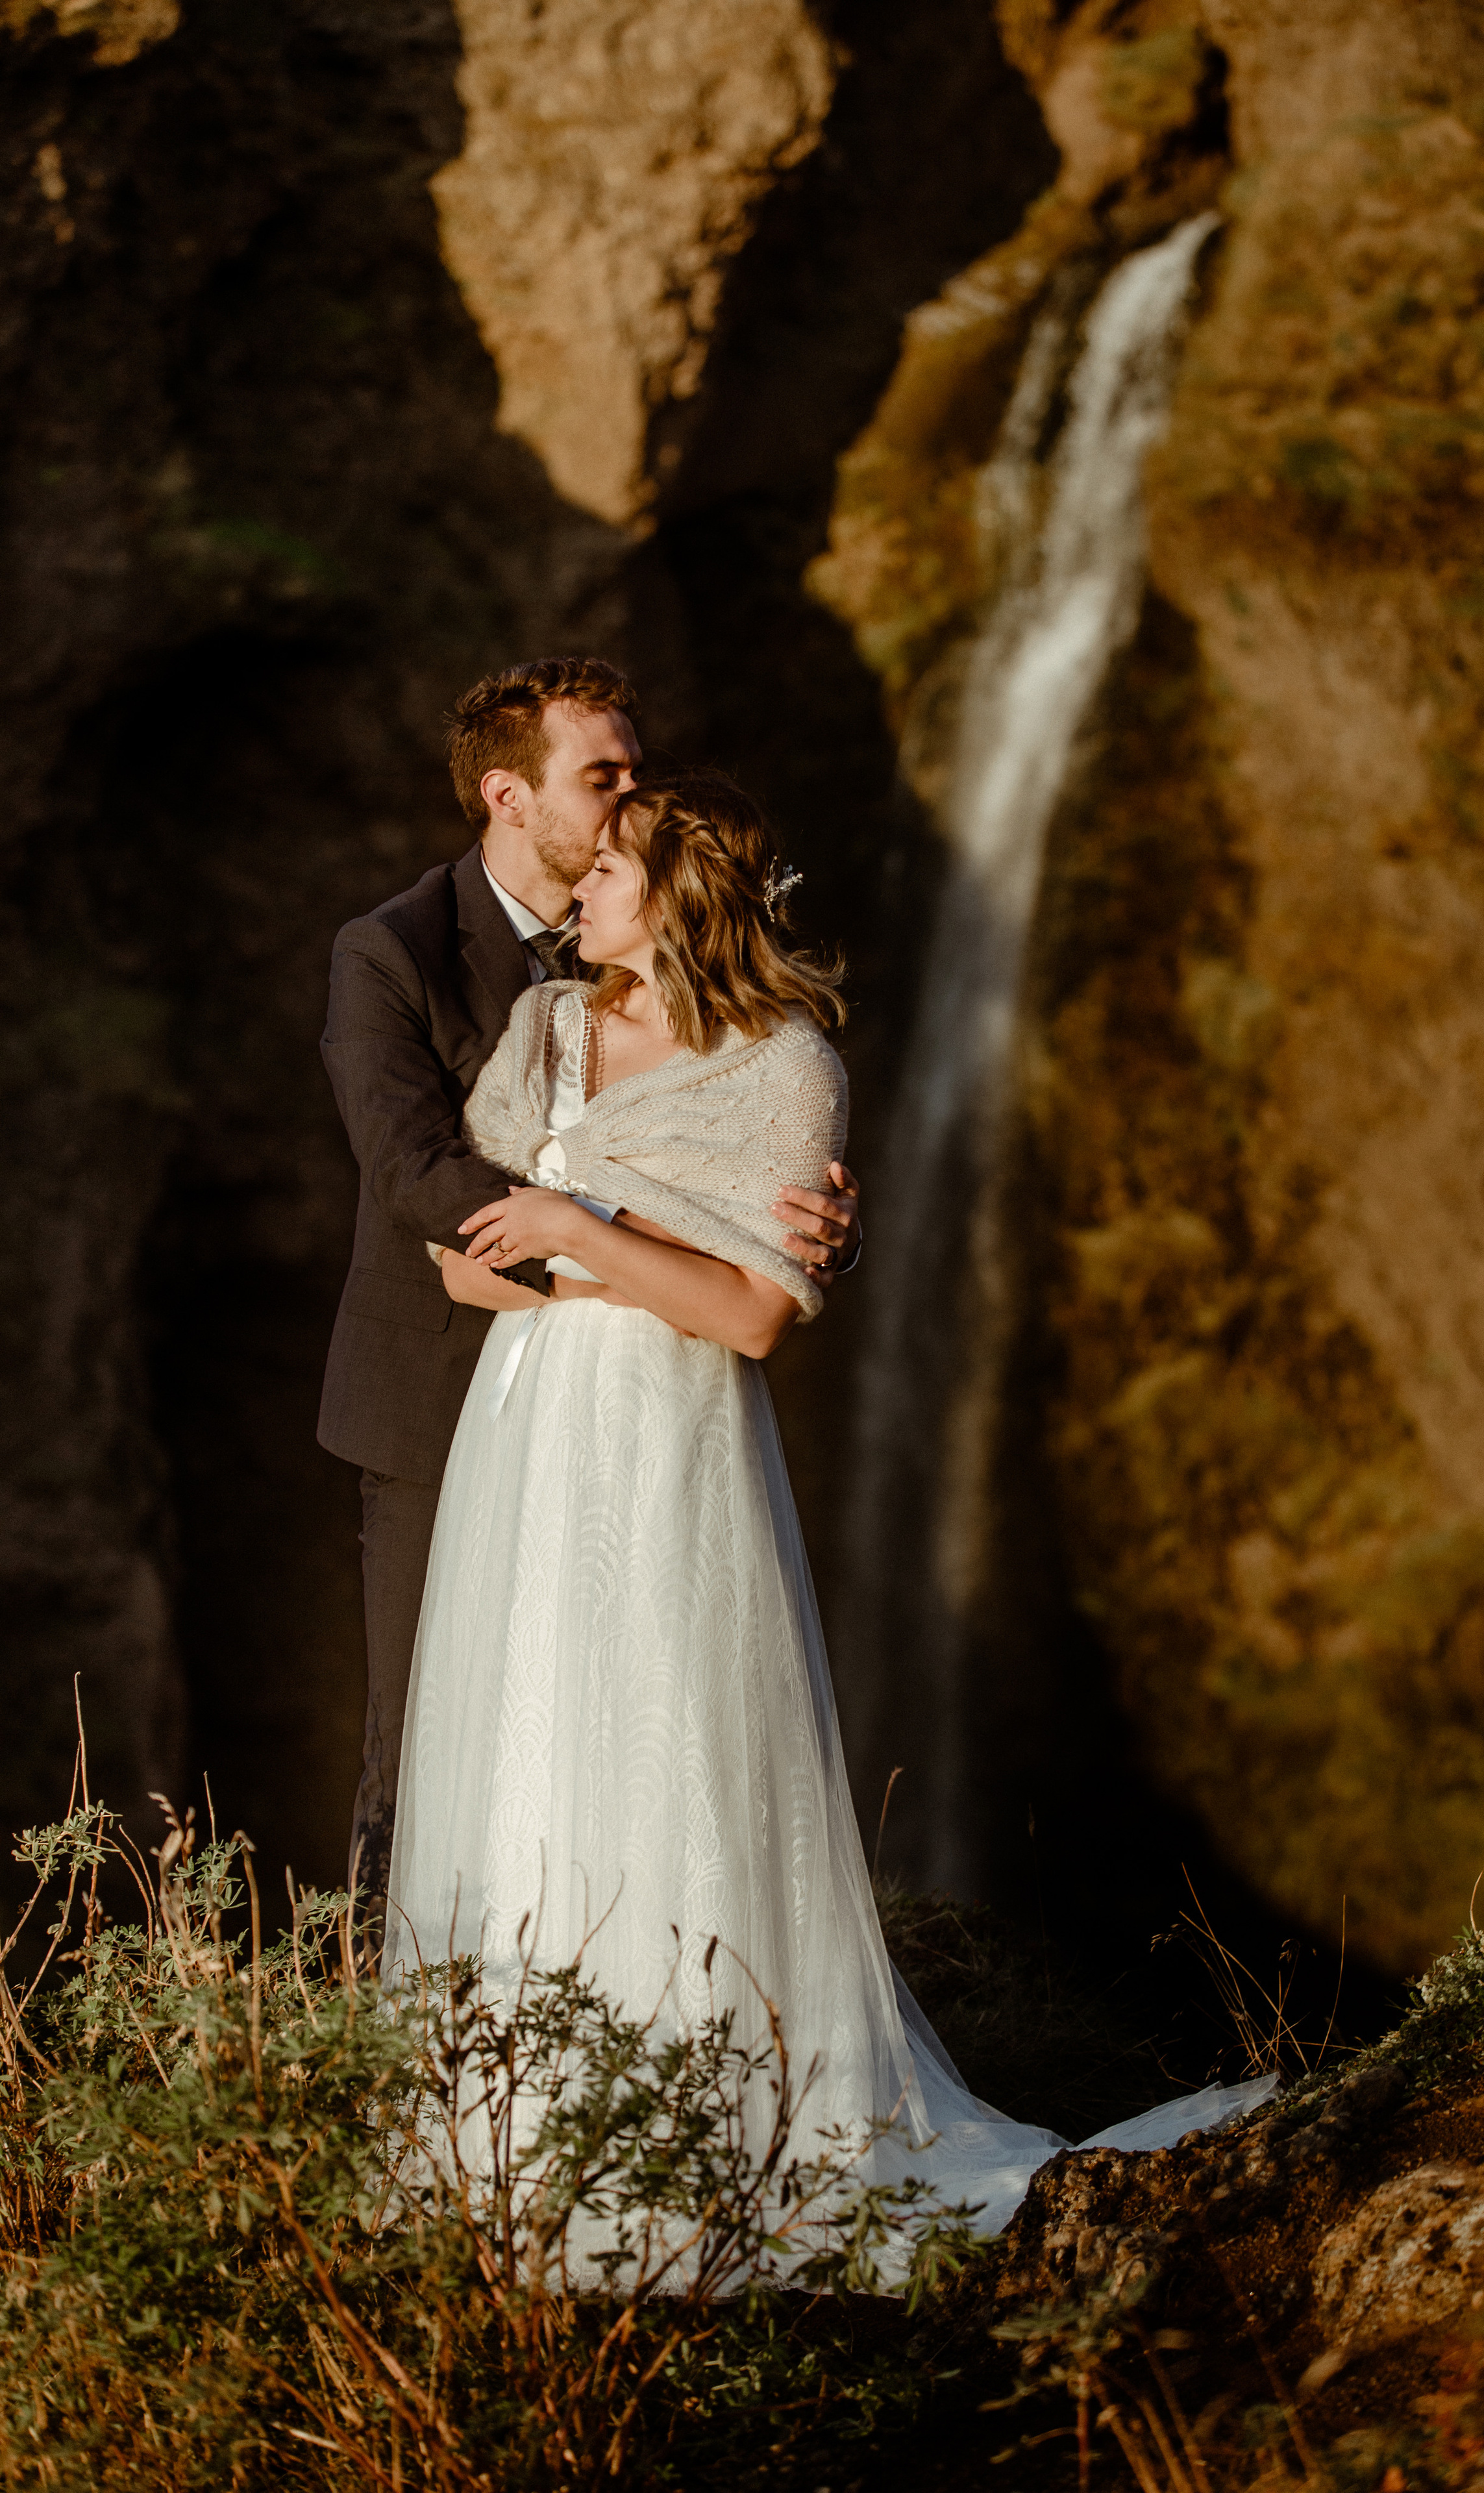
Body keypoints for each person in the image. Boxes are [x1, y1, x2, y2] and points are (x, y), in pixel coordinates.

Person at [383, 765, 1272, 2255]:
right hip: (526, 1429)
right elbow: (460, 1267)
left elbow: (743, 1320)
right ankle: (520, 2140)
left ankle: (704, 2115)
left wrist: (577, 1229)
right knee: (522, 1722)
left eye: (606, 872)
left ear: (677, 895)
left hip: (665, 1439)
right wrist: (565, 1242)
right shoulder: (543, 1033)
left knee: (666, 1728)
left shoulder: (785, 1068)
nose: (580, 891)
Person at [317, 662, 859, 1946]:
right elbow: (415, 1175)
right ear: (511, 796)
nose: (628, 792)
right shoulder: (392, 953)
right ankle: (384, 2069)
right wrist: (587, 1244)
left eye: (632, 770)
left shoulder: (721, 1017)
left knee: (652, 1723)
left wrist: (812, 1232)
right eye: (600, 776)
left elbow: (746, 1178)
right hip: (444, 1389)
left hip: (640, 1402)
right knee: (434, 1749)